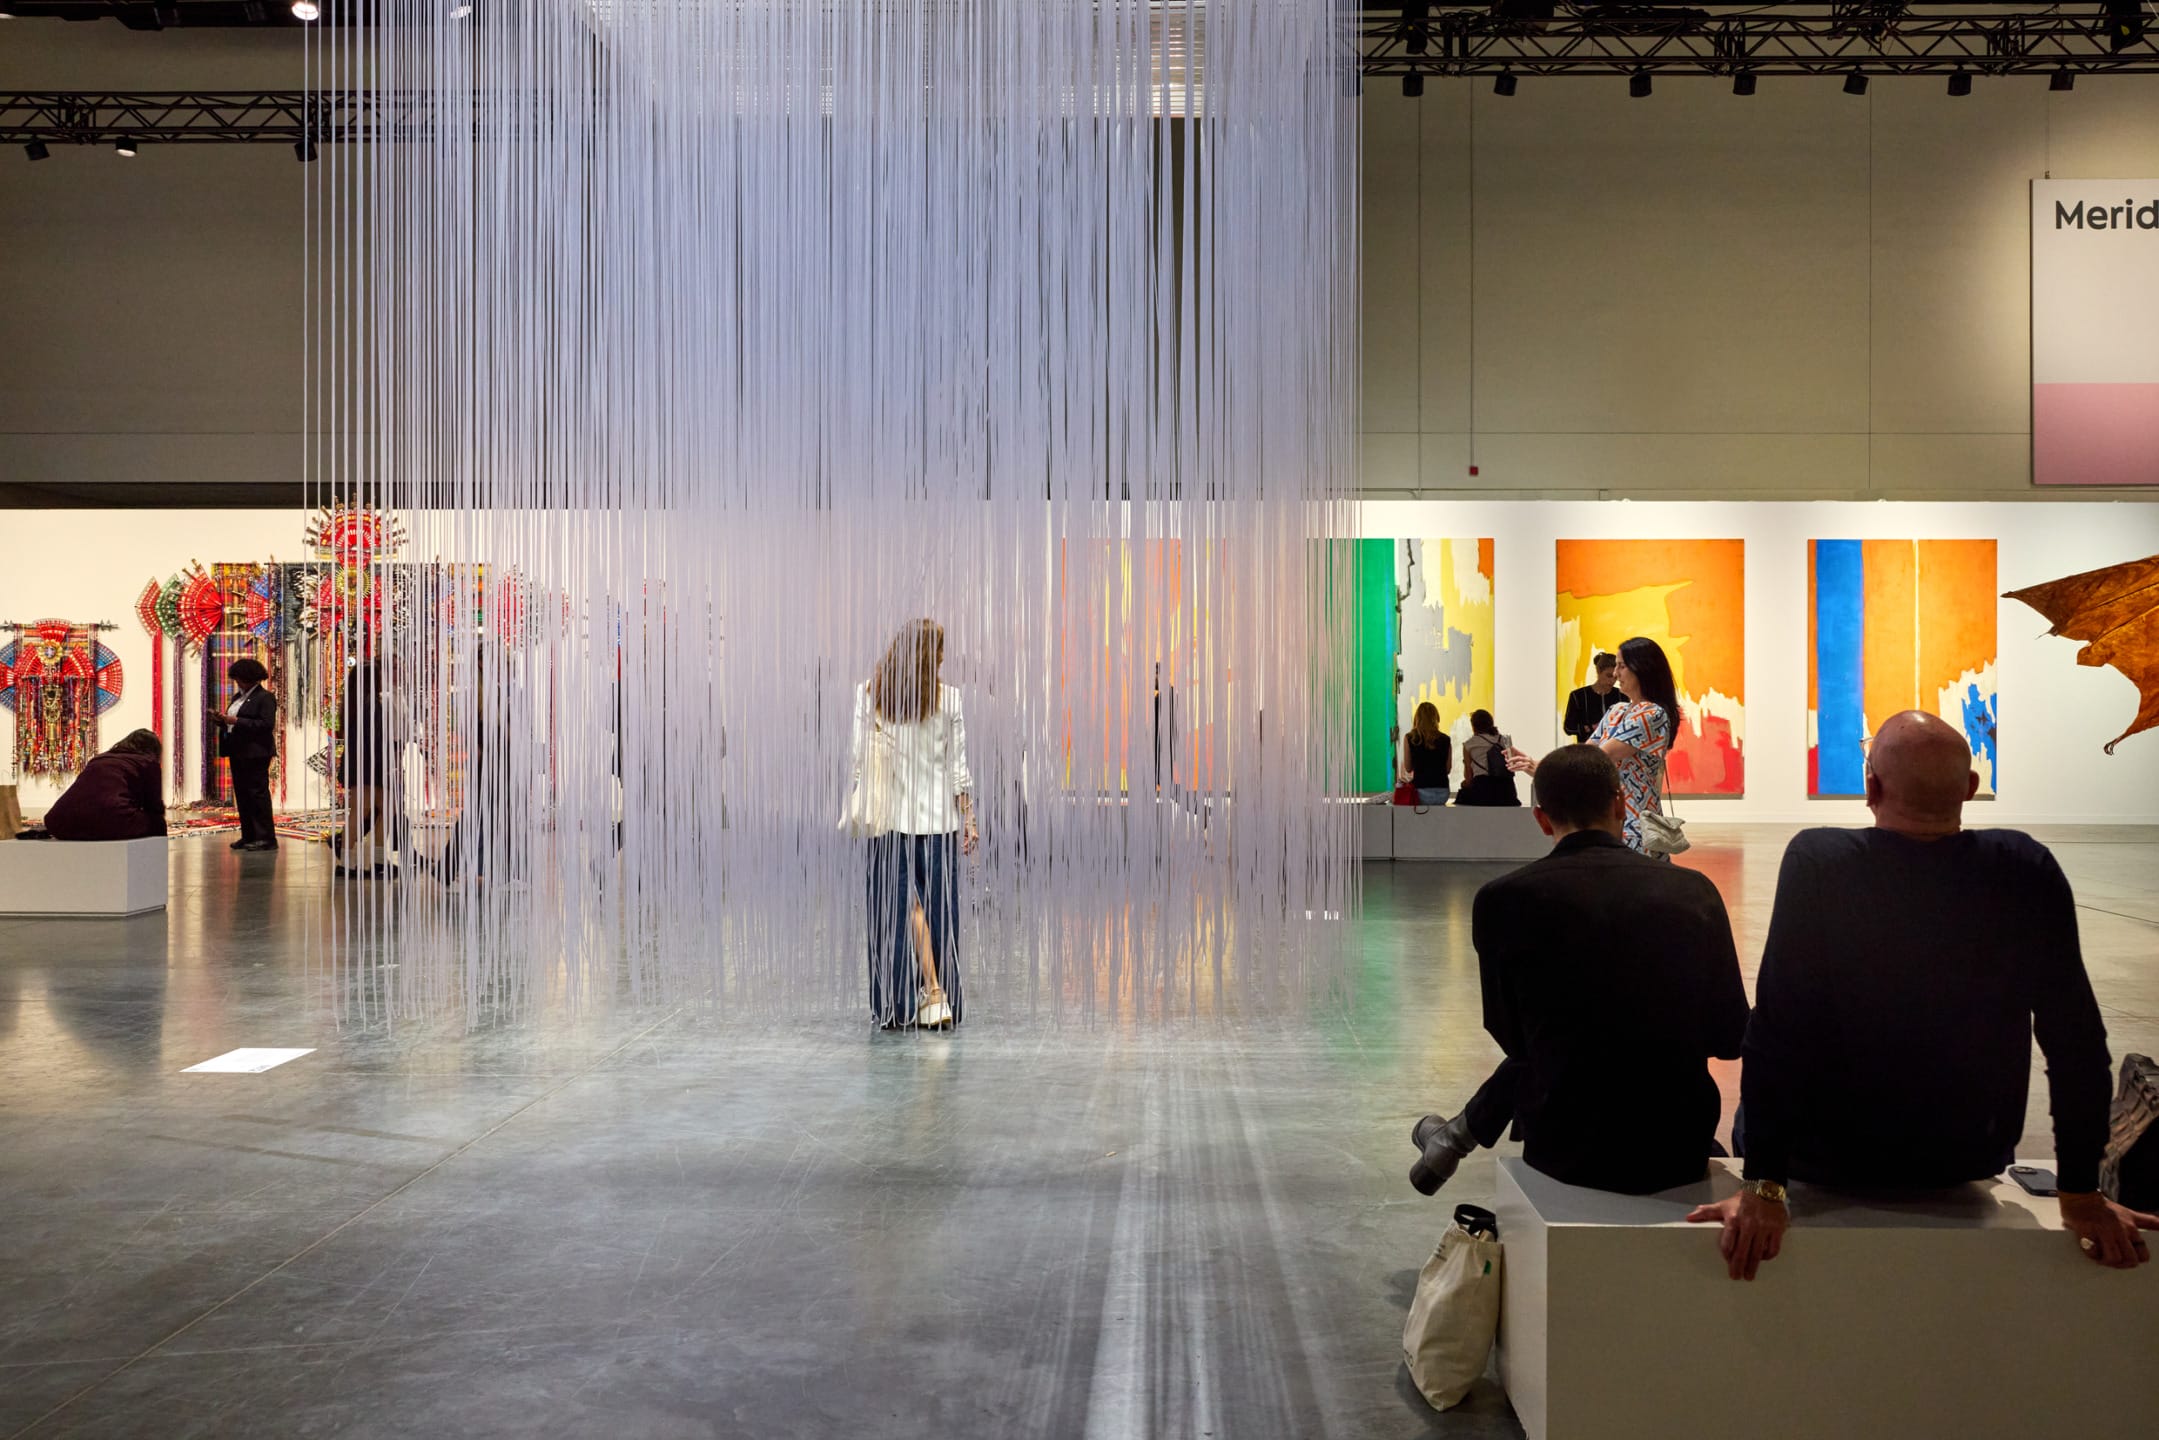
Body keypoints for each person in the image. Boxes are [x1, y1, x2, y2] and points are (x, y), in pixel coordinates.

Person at [1687, 710, 2158, 1280]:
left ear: (1871, 788)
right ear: (1970, 788)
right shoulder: (2024, 868)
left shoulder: (1820, 862)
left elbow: (1777, 1032)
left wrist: (1764, 1185)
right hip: (1965, 1155)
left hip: (1827, 1156)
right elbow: (2075, 1039)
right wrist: (2081, 1191)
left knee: (1744, 1120)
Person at [1410, 745, 1748, 1196]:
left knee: (1552, 1041)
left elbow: (1513, 1037)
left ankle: (1454, 1137)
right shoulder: (1695, 892)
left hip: (1564, 1147)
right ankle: (1453, 1137)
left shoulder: (1502, 900)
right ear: (1621, 804)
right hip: (1678, 1146)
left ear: (1541, 819)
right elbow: (1729, 1037)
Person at [851, 619, 977, 1031]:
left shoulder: (871, 696)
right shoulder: (950, 700)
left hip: (889, 825)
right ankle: (938, 993)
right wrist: (969, 817)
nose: (943, 658)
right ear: (928, 655)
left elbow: (859, 761)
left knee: (898, 912)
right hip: (938, 824)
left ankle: (899, 1003)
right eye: (939, 650)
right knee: (938, 913)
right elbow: (957, 767)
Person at [1510, 636, 1678, 859]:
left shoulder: (1652, 714)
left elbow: (1598, 757)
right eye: (1615, 666)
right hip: (1607, 821)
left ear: (1642, 668)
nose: (1616, 674)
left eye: (1622, 666)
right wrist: (1539, 765)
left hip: (1636, 826)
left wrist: (1545, 768)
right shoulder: (1617, 710)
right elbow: (1586, 752)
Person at [207, 657, 279, 852]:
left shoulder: (265, 698)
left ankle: (265, 837)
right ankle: (248, 835)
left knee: (257, 794)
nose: (237, 682)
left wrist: (236, 721)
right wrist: (222, 720)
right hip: (238, 750)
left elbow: (266, 725)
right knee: (243, 794)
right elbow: (234, 723)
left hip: (256, 752)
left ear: (249, 677)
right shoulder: (237, 698)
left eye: (239, 678)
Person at [42, 730, 166, 841]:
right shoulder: (148, 763)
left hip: (59, 822)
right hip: (111, 819)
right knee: (158, 824)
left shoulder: (99, 759)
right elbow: (154, 807)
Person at [336, 657, 396, 876]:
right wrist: (388, 766)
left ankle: (362, 862)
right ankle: (352, 863)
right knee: (366, 811)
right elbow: (376, 740)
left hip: (360, 765)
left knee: (377, 810)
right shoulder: (372, 705)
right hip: (371, 766)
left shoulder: (353, 704)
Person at [1453, 709, 1520, 807]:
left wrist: (1464, 784)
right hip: (1506, 790)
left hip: (1482, 788)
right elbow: (1512, 766)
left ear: (1474, 726)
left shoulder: (1469, 744)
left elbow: (1469, 778)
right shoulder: (1505, 740)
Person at [1562, 651, 1626, 743]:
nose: (1612, 681)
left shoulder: (1622, 695)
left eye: (1615, 677)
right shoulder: (1578, 696)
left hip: (1615, 749)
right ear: (1598, 671)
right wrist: (1592, 727)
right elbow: (1568, 728)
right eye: (1608, 676)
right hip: (1587, 750)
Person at [1399, 701, 1452, 805]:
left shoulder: (1410, 738)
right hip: (1443, 793)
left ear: (1417, 718)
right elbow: (1447, 769)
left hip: (1420, 792)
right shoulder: (1446, 739)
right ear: (1436, 718)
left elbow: (1408, 768)